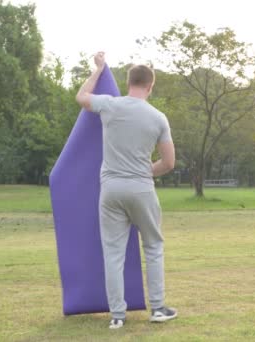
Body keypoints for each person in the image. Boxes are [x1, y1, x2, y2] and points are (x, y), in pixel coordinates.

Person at [76, 52, 177, 329]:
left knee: (113, 253)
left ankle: (117, 316)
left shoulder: (110, 105)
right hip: (142, 188)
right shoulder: (158, 117)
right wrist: (146, 171)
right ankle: (157, 309)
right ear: (150, 86)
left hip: (110, 189)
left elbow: (81, 96)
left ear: (129, 81)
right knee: (154, 247)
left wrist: (98, 69)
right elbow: (169, 163)